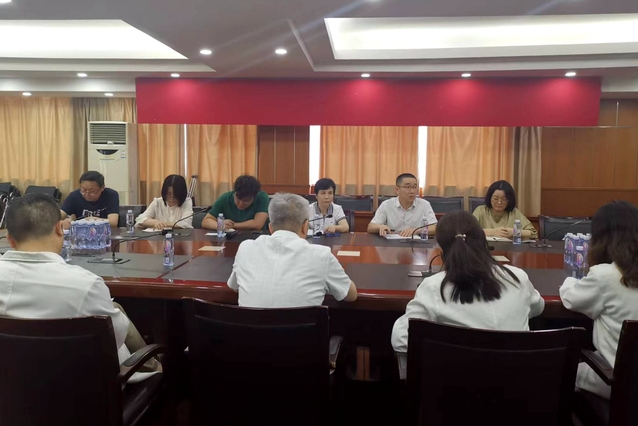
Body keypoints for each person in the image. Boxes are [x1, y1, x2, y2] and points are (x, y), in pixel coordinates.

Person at [0, 193, 159, 382]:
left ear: (9, 239)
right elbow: (114, 341)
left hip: (10, 390)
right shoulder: (85, 285)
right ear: (60, 228)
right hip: (80, 391)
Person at [391, 210, 544, 352]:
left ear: (441, 251)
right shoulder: (517, 277)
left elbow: (401, 339)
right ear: (484, 242)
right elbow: (538, 307)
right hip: (519, 371)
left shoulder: (433, 287)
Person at [560, 201, 638, 400]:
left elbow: (570, 299)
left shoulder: (605, 275)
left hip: (617, 382)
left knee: (556, 370)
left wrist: (570, 281)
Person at [227, 192, 357, 307]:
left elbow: (235, 287)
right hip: (300, 328)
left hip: (248, 327)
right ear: (305, 227)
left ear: (270, 228)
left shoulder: (246, 249)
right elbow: (350, 295)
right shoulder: (321, 255)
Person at [367, 173, 437, 237]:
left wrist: (415, 230)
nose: (412, 191)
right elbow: (370, 227)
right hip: (392, 244)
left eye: (414, 187)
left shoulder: (424, 205)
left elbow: (435, 228)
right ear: (397, 190)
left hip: (416, 244)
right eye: (408, 187)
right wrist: (380, 227)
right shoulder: (386, 205)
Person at [473, 180, 538, 240]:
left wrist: (515, 232)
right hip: (485, 248)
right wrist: (492, 232)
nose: (499, 202)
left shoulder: (514, 212)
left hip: (508, 248)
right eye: (495, 198)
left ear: (509, 200)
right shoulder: (480, 210)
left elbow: (533, 233)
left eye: (504, 199)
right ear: (490, 198)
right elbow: (470, 232)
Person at [202, 175, 269, 231]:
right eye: (238, 199)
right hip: (229, 239)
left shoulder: (262, 197)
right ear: (234, 192)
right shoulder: (225, 198)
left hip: (255, 238)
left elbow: (257, 224)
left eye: (246, 201)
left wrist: (232, 225)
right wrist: (220, 225)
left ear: (254, 197)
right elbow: (206, 221)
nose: (241, 203)